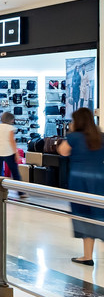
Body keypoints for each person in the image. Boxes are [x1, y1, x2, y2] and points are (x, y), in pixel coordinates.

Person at [59, 107, 104, 265]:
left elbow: (62, 152)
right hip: (99, 180)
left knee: (84, 216)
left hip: (79, 181)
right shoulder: (100, 136)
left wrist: (69, 133)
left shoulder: (74, 137)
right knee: (99, 216)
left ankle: (87, 256)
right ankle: (87, 256)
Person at [0, 112, 23, 187]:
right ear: (10, 119)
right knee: (15, 171)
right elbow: (12, 141)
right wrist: (16, 153)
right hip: (8, 152)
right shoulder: (10, 128)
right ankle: (21, 192)